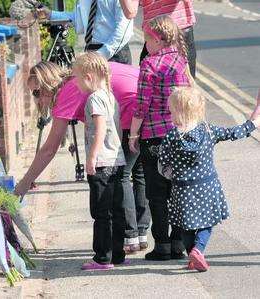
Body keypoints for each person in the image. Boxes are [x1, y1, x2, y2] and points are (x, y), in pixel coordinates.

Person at [158, 87, 260, 271]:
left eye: (171, 110)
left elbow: (163, 163)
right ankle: (198, 249)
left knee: (185, 226)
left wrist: (170, 174)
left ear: (178, 111)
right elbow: (233, 133)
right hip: (207, 186)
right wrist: (253, 123)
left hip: (182, 188)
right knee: (208, 222)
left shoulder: (171, 136)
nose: (169, 114)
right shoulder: (208, 130)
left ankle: (193, 254)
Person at [128, 15, 192, 261]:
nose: (146, 45)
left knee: (157, 194)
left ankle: (162, 245)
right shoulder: (180, 59)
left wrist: (133, 134)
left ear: (157, 40)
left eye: (147, 40)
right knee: (177, 191)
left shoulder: (149, 64)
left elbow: (142, 105)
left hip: (154, 136)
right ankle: (178, 243)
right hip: (179, 133)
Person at [72, 52, 126, 269]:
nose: (76, 83)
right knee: (116, 211)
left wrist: (91, 157)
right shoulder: (110, 95)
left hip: (102, 162)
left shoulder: (94, 98)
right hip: (116, 159)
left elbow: (100, 128)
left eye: (76, 78)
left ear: (88, 76)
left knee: (101, 213)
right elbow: (118, 128)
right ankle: (117, 255)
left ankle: (102, 258)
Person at [110, 61, 150, 254]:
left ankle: (130, 235)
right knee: (140, 174)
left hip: (132, 117)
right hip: (145, 111)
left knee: (123, 174)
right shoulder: (110, 67)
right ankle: (141, 233)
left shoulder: (77, 82)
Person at [39, 0, 134, 64]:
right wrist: (50, 14)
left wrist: (101, 54)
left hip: (115, 53)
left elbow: (124, 31)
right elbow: (78, 20)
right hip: (91, 49)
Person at [118, 0, 196, 76]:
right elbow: (130, 12)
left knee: (184, 84)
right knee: (146, 82)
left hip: (177, 31)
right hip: (152, 34)